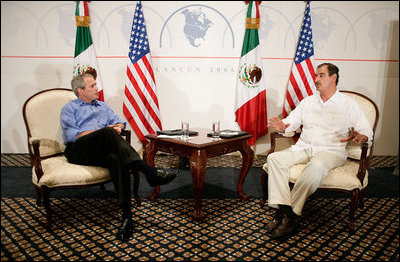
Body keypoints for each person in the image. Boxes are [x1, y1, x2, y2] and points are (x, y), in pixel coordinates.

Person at [60, 70, 178, 241]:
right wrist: (105, 132)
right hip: (79, 150)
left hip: (102, 150)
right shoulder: (70, 108)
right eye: (92, 86)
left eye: (95, 84)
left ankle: (127, 217)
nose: (97, 88)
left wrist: (118, 128)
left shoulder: (103, 106)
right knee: (107, 133)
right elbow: (73, 134)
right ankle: (149, 172)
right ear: (80, 91)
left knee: (118, 160)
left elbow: (119, 121)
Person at [266, 63, 373, 239]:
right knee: (274, 159)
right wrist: (282, 126)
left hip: (331, 151)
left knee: (316, 165)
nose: (316, 79)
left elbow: (366, 131)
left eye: (321, 75)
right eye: (316, 75)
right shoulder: (308, 102)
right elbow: (290, 123)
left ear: (334, 77)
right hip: (304, 147)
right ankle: (286, 210)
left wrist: (361, 136)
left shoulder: (348, 104)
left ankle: (288, 214)